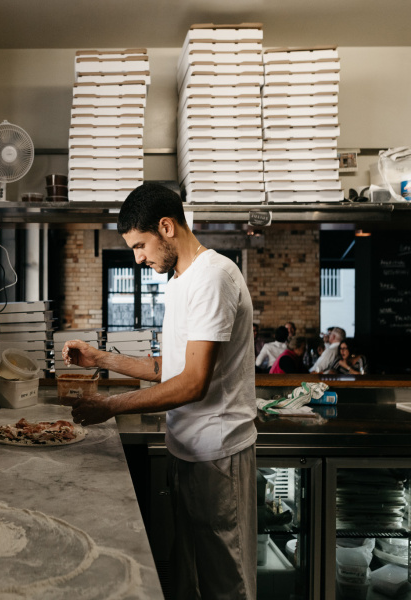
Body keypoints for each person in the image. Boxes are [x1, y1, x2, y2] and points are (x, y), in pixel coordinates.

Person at [61, 183, 257, 599]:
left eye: (140, 245)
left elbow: (193, 382)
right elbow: (169, 368)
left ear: (167, 227)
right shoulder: (181, 279)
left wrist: (110, 406)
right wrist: (99, 358)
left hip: (217, 455)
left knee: (226, 583)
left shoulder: (214, 276)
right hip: (186, 449)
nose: (138, 258)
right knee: (190, 577)